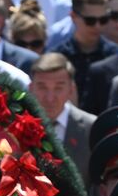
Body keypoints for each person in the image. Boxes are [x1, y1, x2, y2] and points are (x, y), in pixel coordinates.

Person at [31, 53, 95, 185]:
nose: (50, 98)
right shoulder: (16, 126)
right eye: (42, 87)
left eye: (58, 88)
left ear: (71, 89)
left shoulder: (91, 127)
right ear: (31, 88)